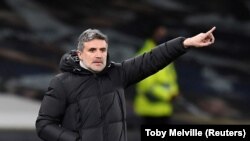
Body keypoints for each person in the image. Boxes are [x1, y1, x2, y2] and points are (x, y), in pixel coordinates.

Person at [36, 27, 216, 141]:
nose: (98, 54)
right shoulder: (61, 83)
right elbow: (44, 125)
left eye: (102, 50)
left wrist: (186, 43)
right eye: (92, 50)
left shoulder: (118, 73)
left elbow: (151, 59)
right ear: (80, 54)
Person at [134, 25, 180, 125]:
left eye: (164, 33)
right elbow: (146, 87)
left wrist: (174, 92)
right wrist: (169, 95)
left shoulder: (166, 55)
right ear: (153, 33)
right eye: (160, 33)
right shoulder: (144, 56)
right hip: (150, 110)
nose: (163, 36)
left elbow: (171, 80)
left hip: (164, 110)